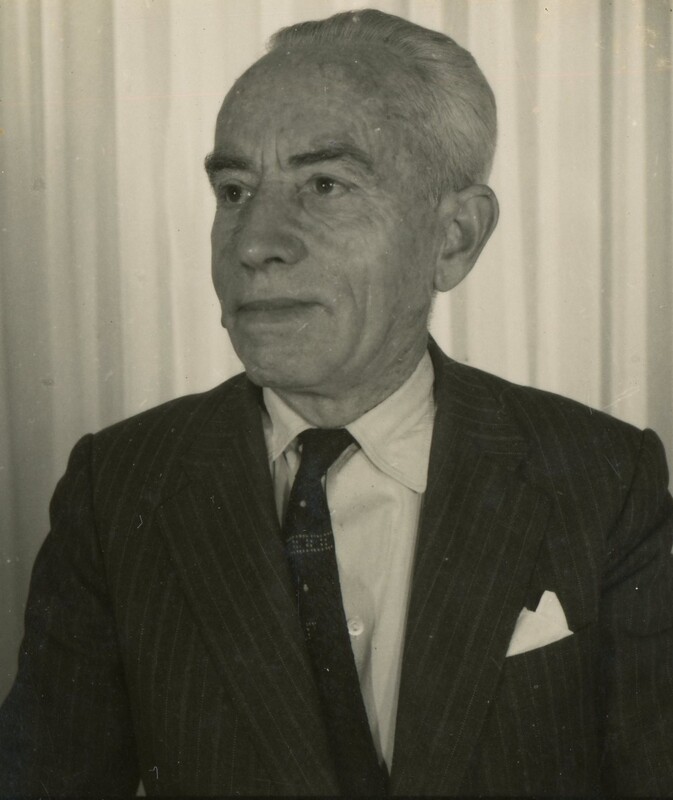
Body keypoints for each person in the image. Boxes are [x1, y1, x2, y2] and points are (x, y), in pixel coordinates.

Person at [1, 8, 672, 797]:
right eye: (234, 190)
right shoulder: (116, 487)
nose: (254, 242)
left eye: (324, 185)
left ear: (453, 237)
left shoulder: (604, 480)